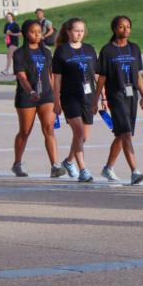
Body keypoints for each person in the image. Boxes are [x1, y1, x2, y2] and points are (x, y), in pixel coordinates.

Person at [93, 16, 143, 185]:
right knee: (126, 133)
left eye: (128, 27)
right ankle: (134, 171)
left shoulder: (134, 49)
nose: (126, 30)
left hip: (132, 96)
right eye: (122, 27)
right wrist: (97, 99)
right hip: (116, 96)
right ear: (115, 29)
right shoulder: (107, 50)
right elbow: (102, 77)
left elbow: (138, 76)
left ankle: (108, 167)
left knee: (121, 133)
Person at [10, 19, 65, 178]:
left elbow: (51, 75)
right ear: (26, 34)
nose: (37, 34)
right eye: (33, 32)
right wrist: (31, 91)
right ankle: (17, 163)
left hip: (46, 95)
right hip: (27, 97)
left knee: (49, 128)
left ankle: (55, 166)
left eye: (39, 32)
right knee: (25, 131)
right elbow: (21, 76)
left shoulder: (46, 52)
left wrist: (56, 97)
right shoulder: (19, 53)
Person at [52, 18, 98, 183]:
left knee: (84, 137)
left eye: (81, 30)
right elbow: (56, 79)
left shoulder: (89, 49)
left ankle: (68, 161)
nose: (79, 33)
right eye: (76, 30)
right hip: (69, 97)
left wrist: (102, 97)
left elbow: (96, 74)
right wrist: (56, 101)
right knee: (78, 132)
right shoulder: (62, 51)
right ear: (68, 32)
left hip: (88, 96)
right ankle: (83, 170)